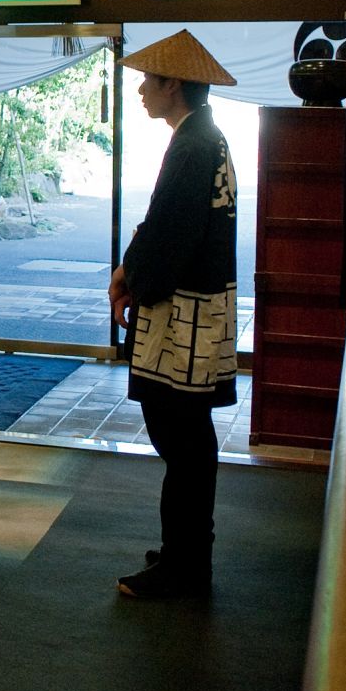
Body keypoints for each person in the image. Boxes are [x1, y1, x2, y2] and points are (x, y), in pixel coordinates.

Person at [107, 30, 239, 599]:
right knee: (187, 438)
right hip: (197, 307)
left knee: (180, 438)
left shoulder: (192, 144)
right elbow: (162, 224)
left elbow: (171, 236)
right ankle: (187, 551)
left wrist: (133, 284)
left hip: (182, 313)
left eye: (148, 80)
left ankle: (186, 566)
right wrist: (130, 267)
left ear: (175, 85)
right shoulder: (203, 137)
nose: (139, 89)